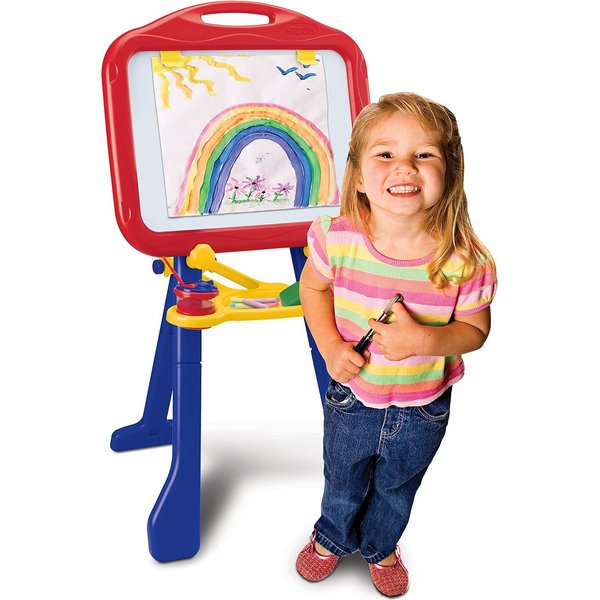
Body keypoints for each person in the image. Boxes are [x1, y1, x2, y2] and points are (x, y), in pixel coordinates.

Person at [295, 92, 497, 597]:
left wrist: (423, 339)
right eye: (385, 153)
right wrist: (329, 346)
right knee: (343, 476)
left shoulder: (463, 260)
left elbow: (475, 330)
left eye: (424, 154)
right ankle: (331, 536)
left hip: (423, 404)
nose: (405, 166)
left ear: (449, 171)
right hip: (353, 397)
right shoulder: (336, 238)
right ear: (359, 177)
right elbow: (312, 289)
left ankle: (381, 544)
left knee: (397, 485)